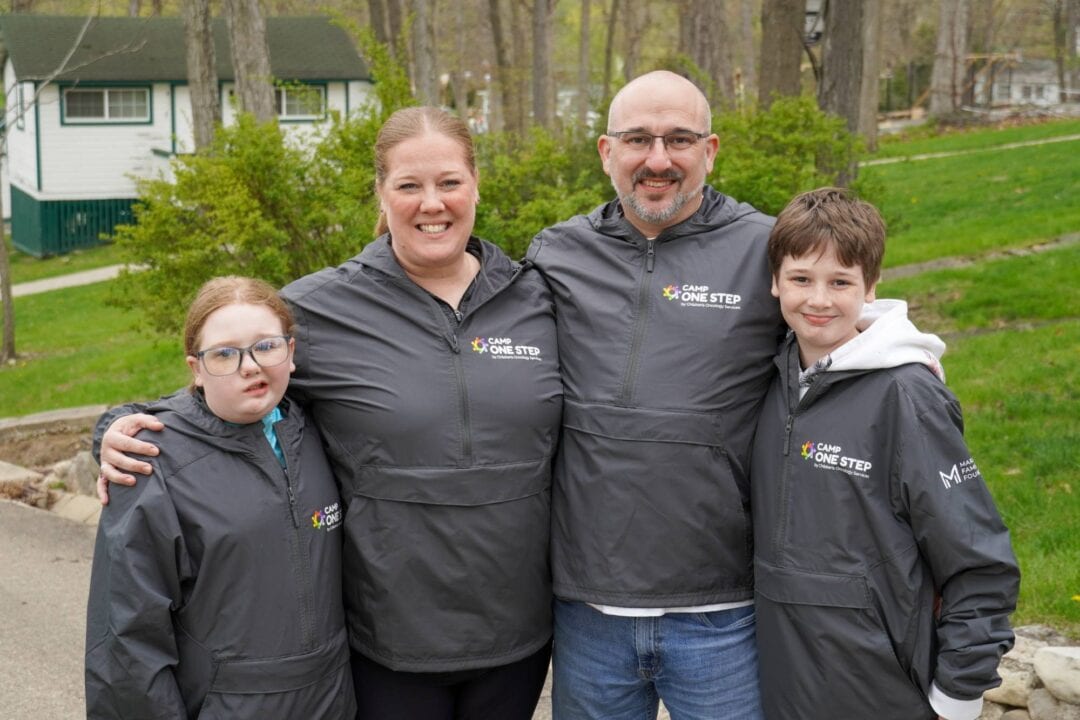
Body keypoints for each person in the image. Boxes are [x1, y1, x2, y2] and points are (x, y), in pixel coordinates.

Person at [95, 107, 563, 720]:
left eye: (449, 182)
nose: (432, 203)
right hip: (388, 643)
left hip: (518, 635)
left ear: (476, 184)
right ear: (381, 193)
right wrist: (116, 429)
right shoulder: (321, 309)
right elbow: (229, 378)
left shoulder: (537, 297)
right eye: (409, 185)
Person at [526, 70, 786, 719]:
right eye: (639, 139)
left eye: (679, 140)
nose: (659, 160)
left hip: (724, 610)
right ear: (606, 151)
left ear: (711, 150)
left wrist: (909, 354)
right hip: (589, 612)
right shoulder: (556, 255)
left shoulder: (767, 250)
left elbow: (840, 317)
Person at [752, 187, 1020, 720]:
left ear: (870, 288)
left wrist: (959, 694)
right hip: (784, 683)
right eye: (802, 279)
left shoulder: (908, 397)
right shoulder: (768, 379)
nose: (819, 299)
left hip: (880, 686)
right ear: (776, 281)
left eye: (840, 282)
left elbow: (978, 560)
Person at [85, 276, 356, 718]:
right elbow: (127, 642)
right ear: (196, 367)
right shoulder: (149, 462)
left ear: (291, 353)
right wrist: (109, 431)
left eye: (266, 346)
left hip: (331, 700)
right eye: (225, 354)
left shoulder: (325, 432)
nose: (250, 366)